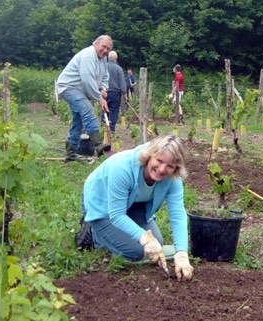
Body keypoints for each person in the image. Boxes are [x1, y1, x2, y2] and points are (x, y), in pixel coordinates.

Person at [75, 134, 194, 281]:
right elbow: (117, 215)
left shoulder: (173, 178)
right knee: (136, 252)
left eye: (170, 166)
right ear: (150, 155)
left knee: (157, 244)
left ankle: (113, 234)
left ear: (176, 167)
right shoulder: (123, 167)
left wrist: (181, 254)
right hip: (101, 205)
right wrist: (144, 238)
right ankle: (92, 233)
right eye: (159, 161)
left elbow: (177, 214)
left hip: (133, 204)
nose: (162, 169)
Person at [57, 35, 112, 162]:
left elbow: (105, 76)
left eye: (108, 49)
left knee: (78, 121)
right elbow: (87, 80)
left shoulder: (103, 59)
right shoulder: (88, 55)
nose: (105, 50)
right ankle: (98, 145)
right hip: (69, 87)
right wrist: (99, 98)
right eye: (103, 47)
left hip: (80, 91)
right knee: (87, 109)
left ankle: (71, 153)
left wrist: (103, 88)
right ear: (96, 44)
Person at [103, 50, 126, 134]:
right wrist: (123, 93)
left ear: (108, 58)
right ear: (116, 58)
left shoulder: (103, 67)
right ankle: (111, 130)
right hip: (115, 93)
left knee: (104, 110)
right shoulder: (118, 69)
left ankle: (103, 128)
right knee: (113, 111)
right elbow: (122, 82)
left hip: (104, 92)